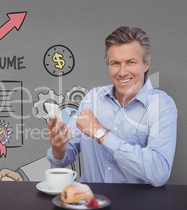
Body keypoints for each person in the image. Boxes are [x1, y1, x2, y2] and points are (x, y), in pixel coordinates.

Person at [46, 26, 177, 187]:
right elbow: (64, 158)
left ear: (146, 64)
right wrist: (58, 149)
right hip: (89, 202)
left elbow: (159, 173)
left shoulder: (162, 105)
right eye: (115, 63)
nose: (122, 72)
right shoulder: (92, 98)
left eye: (130, 62)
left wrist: (101, 133)